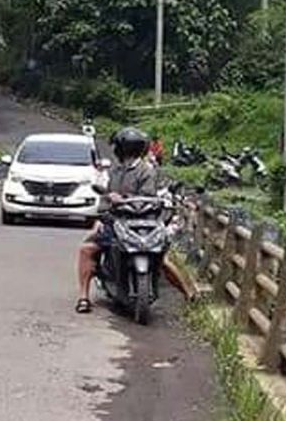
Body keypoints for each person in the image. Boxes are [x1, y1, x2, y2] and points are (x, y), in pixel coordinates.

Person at [74, 127, 195, 313]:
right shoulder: (116, 171)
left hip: (144, 223)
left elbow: (147, 196)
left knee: (161, 258)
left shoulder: (146, 171)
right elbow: (106, 197)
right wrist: (105, 209)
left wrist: (122, 198)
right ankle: (84, 296)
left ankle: (190, 294)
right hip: (117, 222)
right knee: (87, 250)